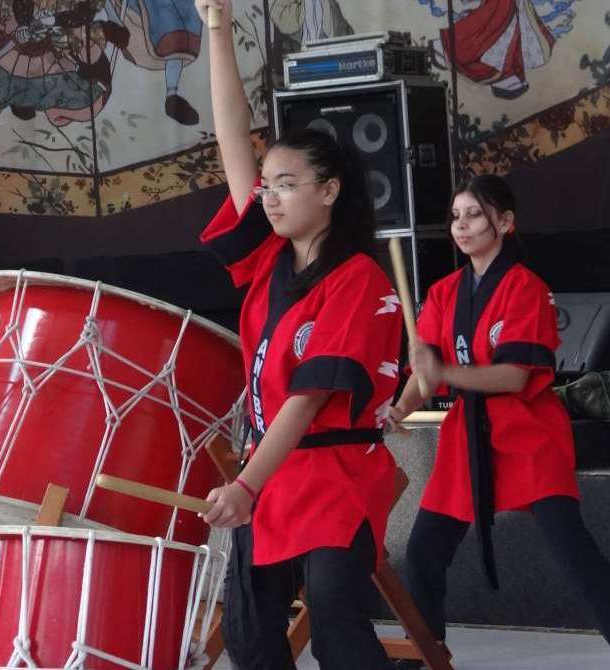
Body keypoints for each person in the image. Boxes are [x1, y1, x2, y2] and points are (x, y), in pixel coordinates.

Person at [388, 174, 610, 670]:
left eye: (474, 214)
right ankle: (424, 657)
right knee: (423, 555)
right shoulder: (444, 292)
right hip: (467, 441)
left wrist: (444, 372)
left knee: (574, 555)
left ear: (505, 222)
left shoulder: (527, 289)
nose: (462, 225)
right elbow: (424, 373)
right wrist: (398, 408)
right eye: (456, 216)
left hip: (526, 436)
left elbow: (515, 377)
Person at [194, 1, 402, 667]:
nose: (272, 197)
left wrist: (245, 487)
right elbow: (232, 143)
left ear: (331, 190)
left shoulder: (359, 278)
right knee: (252, 639)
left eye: (289, 184)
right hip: (276, 471)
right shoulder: (267, 261)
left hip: (336, 475)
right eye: (269, 186)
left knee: (338, 628)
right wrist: (217, 29)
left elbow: (308, 399)